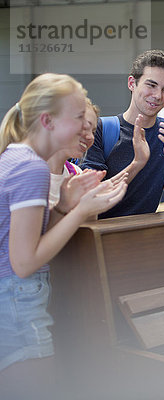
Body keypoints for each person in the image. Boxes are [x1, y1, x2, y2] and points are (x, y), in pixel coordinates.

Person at [0, 73, 127, 396]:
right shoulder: (33, 168)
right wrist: (81, 211)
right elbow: (24, 262)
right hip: (18, 302)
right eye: (78, 119)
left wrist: (62, 208)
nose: (87, 130)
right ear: (47, 121)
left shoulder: (16, 156)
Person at [82, 49, 164, 218]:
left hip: (146, 235)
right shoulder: (101, 129)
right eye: (151, 85)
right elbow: (91, 199)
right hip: (102, 235)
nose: (158, 95)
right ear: (132, 83)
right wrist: (137, 163)